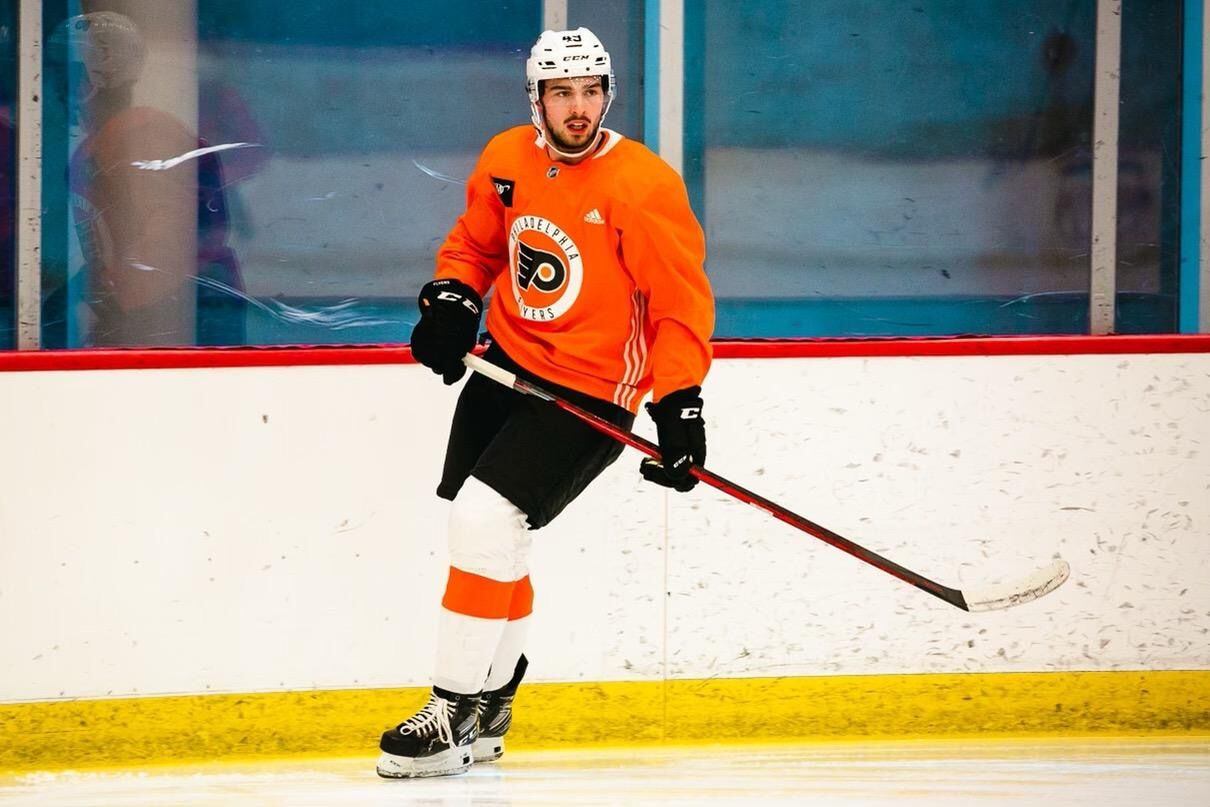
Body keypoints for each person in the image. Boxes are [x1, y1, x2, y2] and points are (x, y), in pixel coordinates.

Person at [376, 28, 715, 779]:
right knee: (492, 538)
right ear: (537, 99)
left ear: (608, 95)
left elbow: (679, 307)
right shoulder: (508, 159)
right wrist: (452, 300)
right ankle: (492, 704)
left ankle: (451, 710)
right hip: (506, 366)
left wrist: (679, 401)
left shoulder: (642, 185)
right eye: (562, 93)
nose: (578, 107)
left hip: (589, 390)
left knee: (483, 520)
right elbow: (475, 247)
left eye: (591, 90)